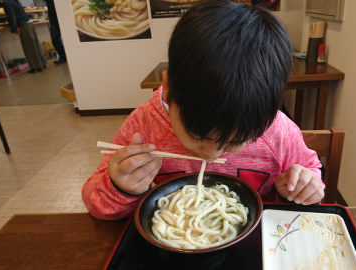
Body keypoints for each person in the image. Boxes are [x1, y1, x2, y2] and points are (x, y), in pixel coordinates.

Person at [82, 0, 325, 220]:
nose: (210, 154)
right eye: (198, 136)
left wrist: (302, 188)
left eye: (233, 142)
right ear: (168, 89)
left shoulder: (279, 133)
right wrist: (120, 187)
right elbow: (96, 205)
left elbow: (310, 178)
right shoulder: (145, 125)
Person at [0, 0, 47, 73]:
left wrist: (14, 28)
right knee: (35, 44)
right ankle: (42, 63)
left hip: (23, 24)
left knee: (29, 47)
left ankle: (36, 66)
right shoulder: (13, 1)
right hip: (28, 22)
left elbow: (12, 16)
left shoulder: (7, 2)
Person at [44, 0, 67, 64]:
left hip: (64, 13)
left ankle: (73, 55)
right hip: (52, 16)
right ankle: (63, 57)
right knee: (55, 39)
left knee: (68, 37)